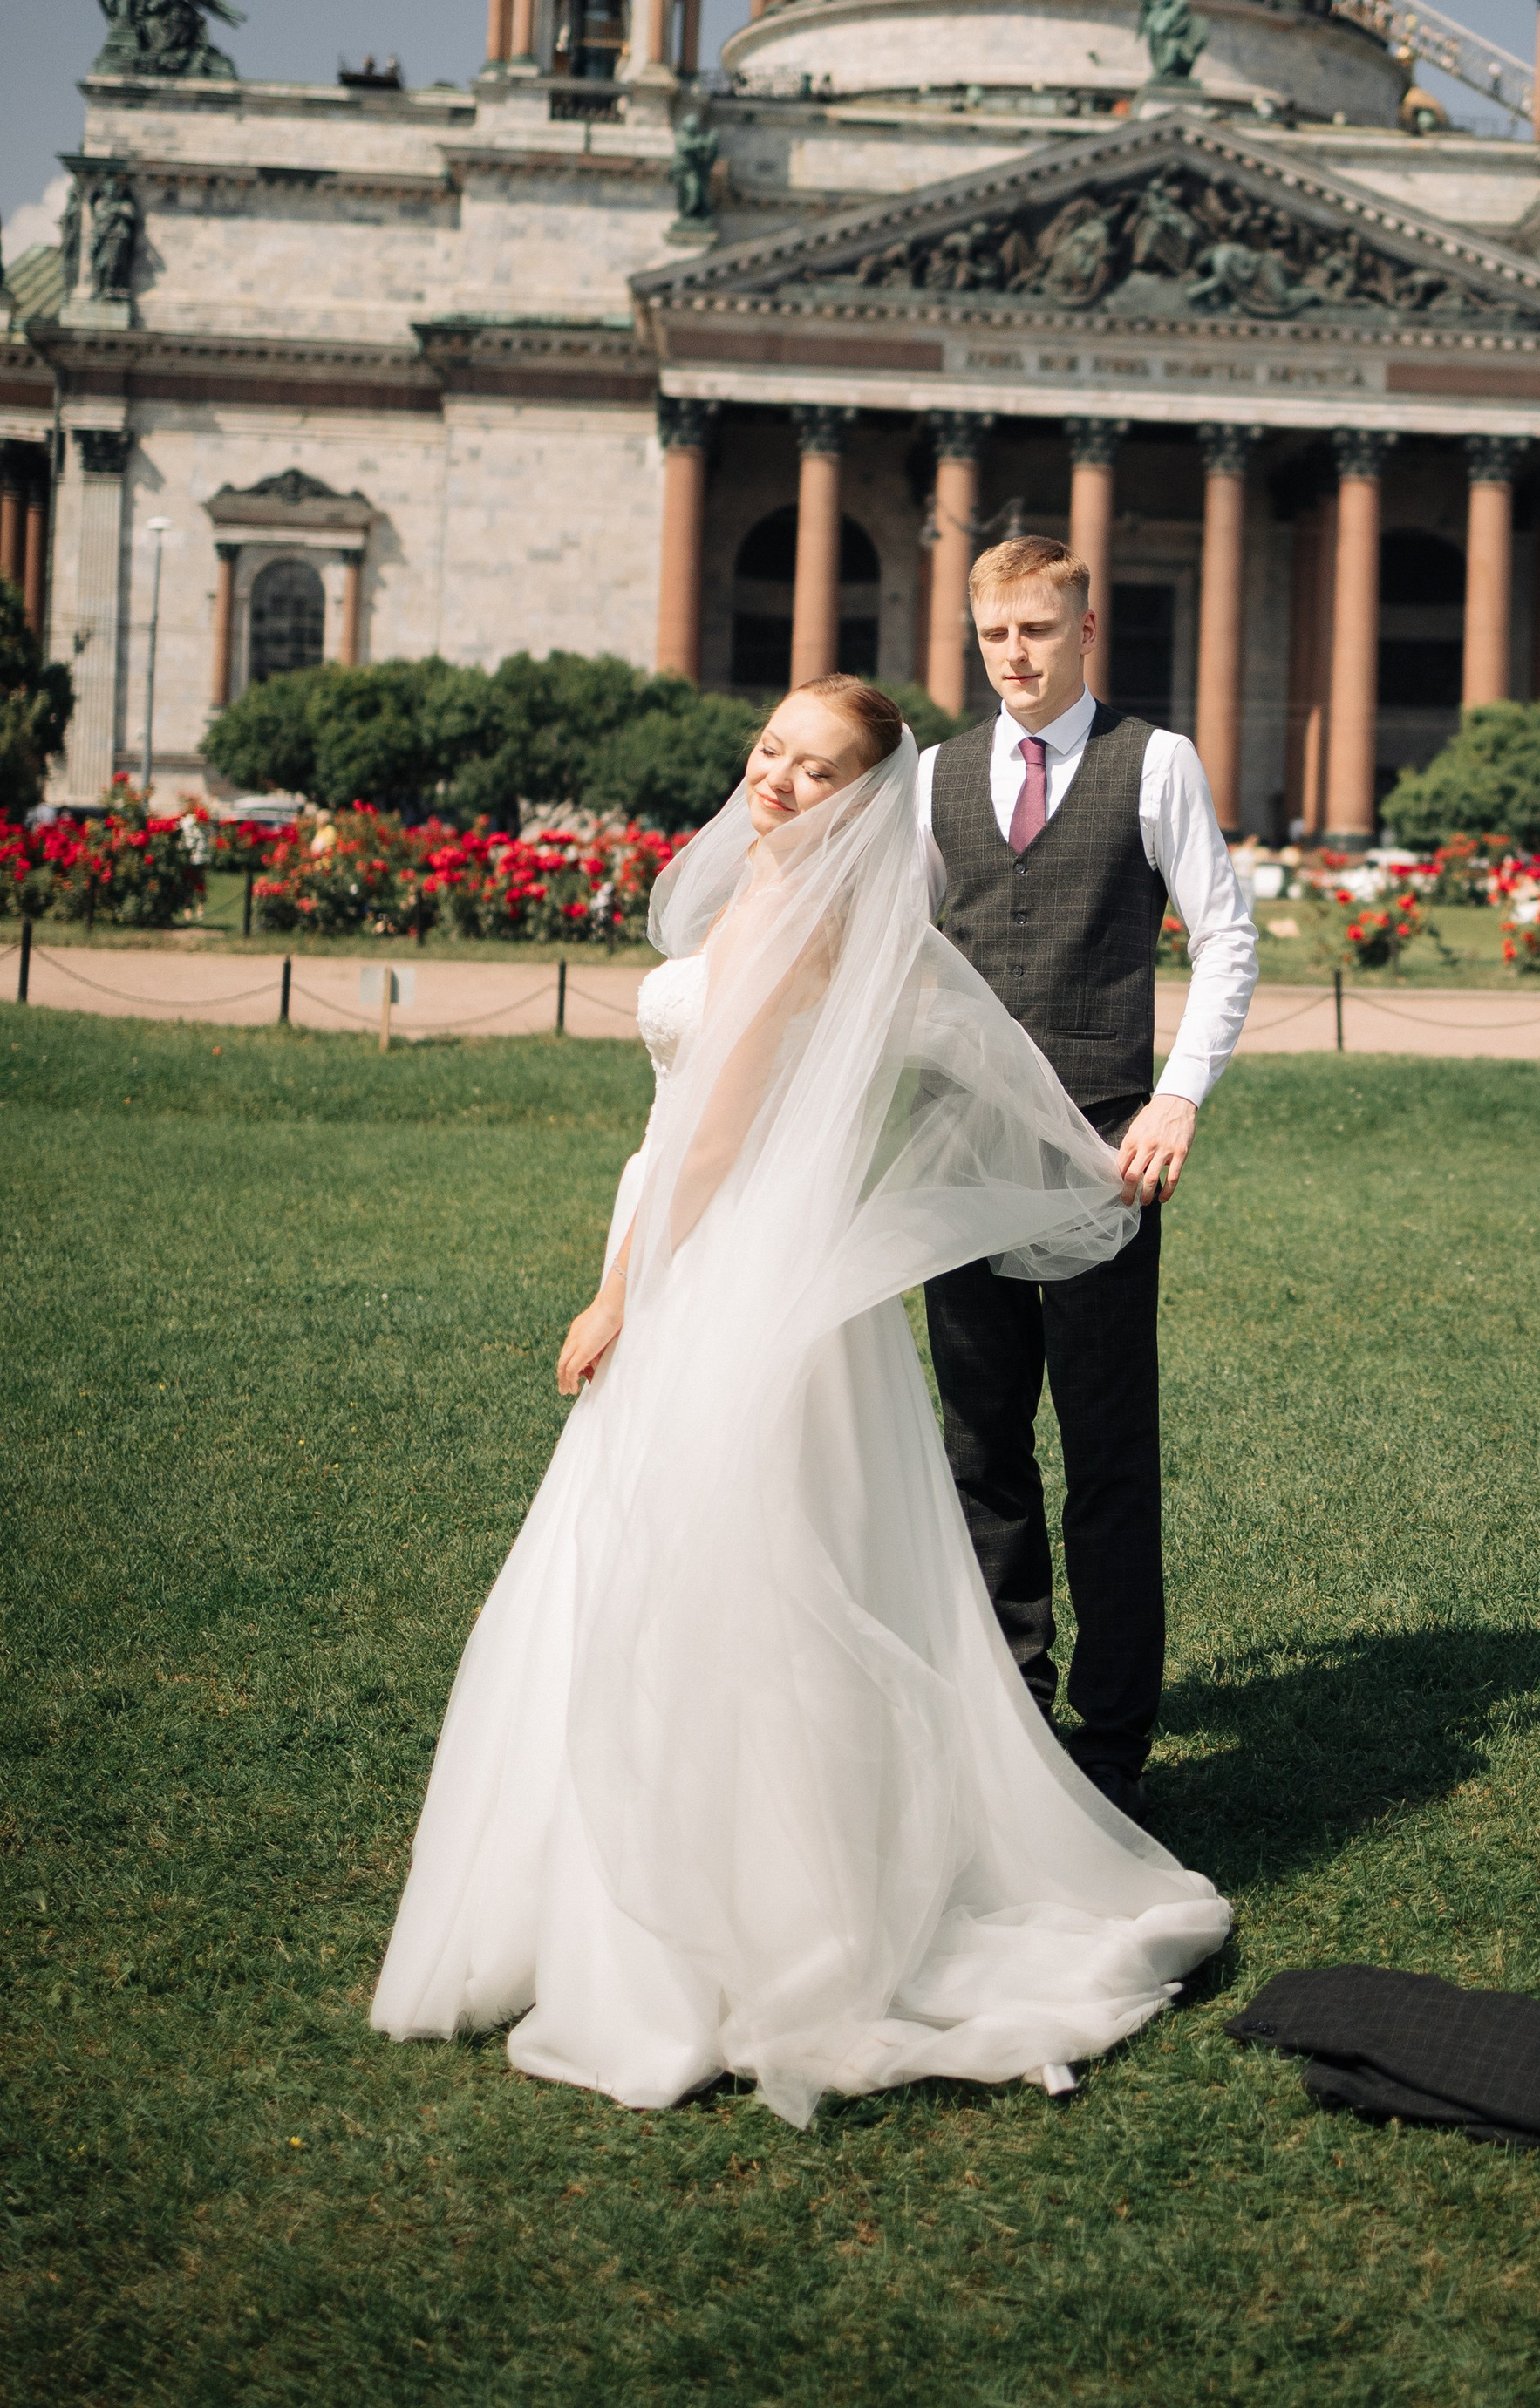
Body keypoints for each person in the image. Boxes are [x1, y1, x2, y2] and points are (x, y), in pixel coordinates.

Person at [371, 677, 1228, 2119]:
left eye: (813, 770)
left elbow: (710, 1139)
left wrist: (624, 1293)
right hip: (756, 1259)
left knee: (704, 1582)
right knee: (741, 1573)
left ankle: (728, 1925)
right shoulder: (814, 897)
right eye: (772, 750)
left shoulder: (795, 915)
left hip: (716, 1264)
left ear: (862, 798)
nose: (774, 779)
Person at [919, 537, 1257, 1833]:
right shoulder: (936, 777)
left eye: (1039, 631)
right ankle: (1014, 1704)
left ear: (1085, 630)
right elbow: (896, 944)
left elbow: (1225, 936)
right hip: (957, 1156)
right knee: (983, 1448)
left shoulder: (1152, 762)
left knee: (1109, 1455)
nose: (1016, 654)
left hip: (1107, 1150)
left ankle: (1115, 1742)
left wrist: (1178, 1097)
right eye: (996, 633)